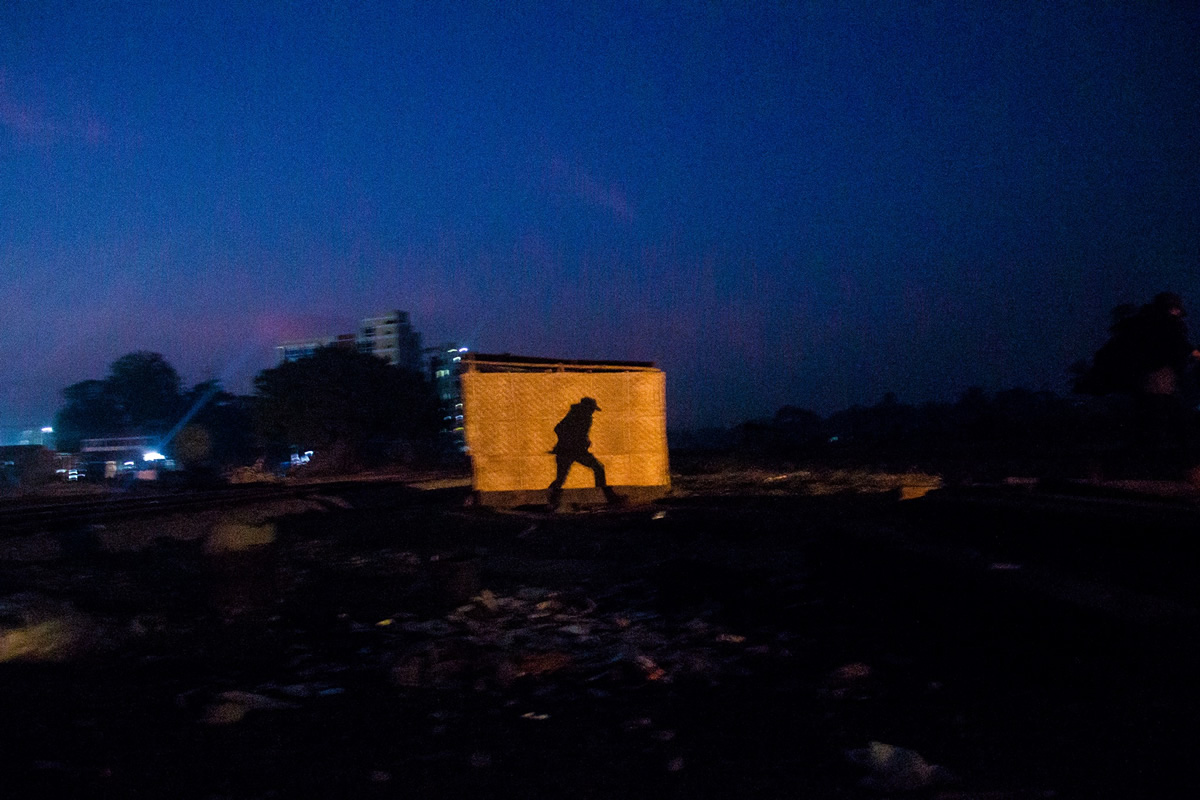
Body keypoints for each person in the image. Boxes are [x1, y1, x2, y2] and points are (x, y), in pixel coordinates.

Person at [546, 397, 621, 509]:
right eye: (592, 409)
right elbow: (559, 429)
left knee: (562, 478)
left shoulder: (579, 415)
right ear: (587, 407)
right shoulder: (578, 416)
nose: (592, 411)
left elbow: (562, 429)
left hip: (572, 451)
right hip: (570, 451)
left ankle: (550, 501)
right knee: (597, 468)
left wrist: (583, 439)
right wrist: (573, 441)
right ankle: (605, 496)